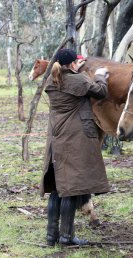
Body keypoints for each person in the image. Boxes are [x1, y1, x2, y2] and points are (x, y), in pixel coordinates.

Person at [39, 48, 110, 246]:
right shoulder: (79, 80)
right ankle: (66, 237)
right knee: (71, 188)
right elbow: (101, 92)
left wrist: (74, 70)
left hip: (56, 139)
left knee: (57, 189)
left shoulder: (52, 80)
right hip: (74, 139)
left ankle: (51, 236)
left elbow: (68, 81)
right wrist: (100, 76)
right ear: (72, 63)